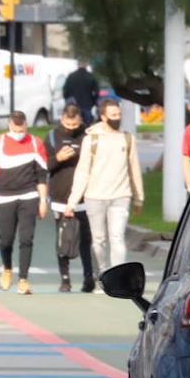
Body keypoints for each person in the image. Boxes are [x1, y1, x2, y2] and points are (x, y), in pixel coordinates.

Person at [65, 97, 143, 288]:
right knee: (98, 240)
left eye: (118, 115)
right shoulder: (91, 139)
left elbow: (134, 168)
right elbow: (83, 171)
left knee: (117, 237)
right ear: (103, 116)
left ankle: (117, 279)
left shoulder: (127, 138)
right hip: (95, 196)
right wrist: (72, 201)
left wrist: (139, 197)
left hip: (121, 196)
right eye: (113, 115)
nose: (117, 118)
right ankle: (102, 273)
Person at [0, 110, 48, 295]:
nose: (19, 132)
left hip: (29, 196)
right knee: (6, 239)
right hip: (5, 197)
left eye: (22, 128)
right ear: (10, 125)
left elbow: (42, 175)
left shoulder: (35, 143)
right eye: (15, 128)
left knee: (26, 239)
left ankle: (24, 279)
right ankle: (7, 269)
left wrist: (43, 200)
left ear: (26, 126)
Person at [45, 104, 94, 292]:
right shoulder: (52, 137)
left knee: (85, 240)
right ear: (62, 119)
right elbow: (43, 166)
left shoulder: (87, 136)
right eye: (67, 124)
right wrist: (58, 158)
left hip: (85, 197)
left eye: (74, 124)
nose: (71, 128)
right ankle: (64, 278)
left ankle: (88, 277)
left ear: (80, 121)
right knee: (63, 239)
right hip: (59, 196)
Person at [61, 60, 99, 125]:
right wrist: (93, 102)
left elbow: (65, 90)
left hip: (74, 103)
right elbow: (96, 91)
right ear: (86, 65)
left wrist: (67, 99)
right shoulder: (91, 76)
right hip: (87, 103)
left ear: (78, 65)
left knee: (75, 122)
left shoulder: (71, 76)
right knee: (87, 123)